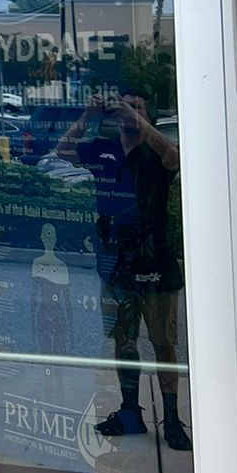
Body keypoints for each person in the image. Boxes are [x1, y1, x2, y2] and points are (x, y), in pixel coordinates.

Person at [58, 92, 189, 450]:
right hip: (115, 264)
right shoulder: (104, 150)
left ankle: (173, 419)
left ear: (149, 115)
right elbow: (63, 151)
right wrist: (88, 114)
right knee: (123, 339)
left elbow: (174, 156)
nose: (128, 111)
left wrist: (138, 120)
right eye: (124, 106)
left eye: (138, 106)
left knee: (163, 343)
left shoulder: (157, 152)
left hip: (155, 262)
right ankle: (130, 412)